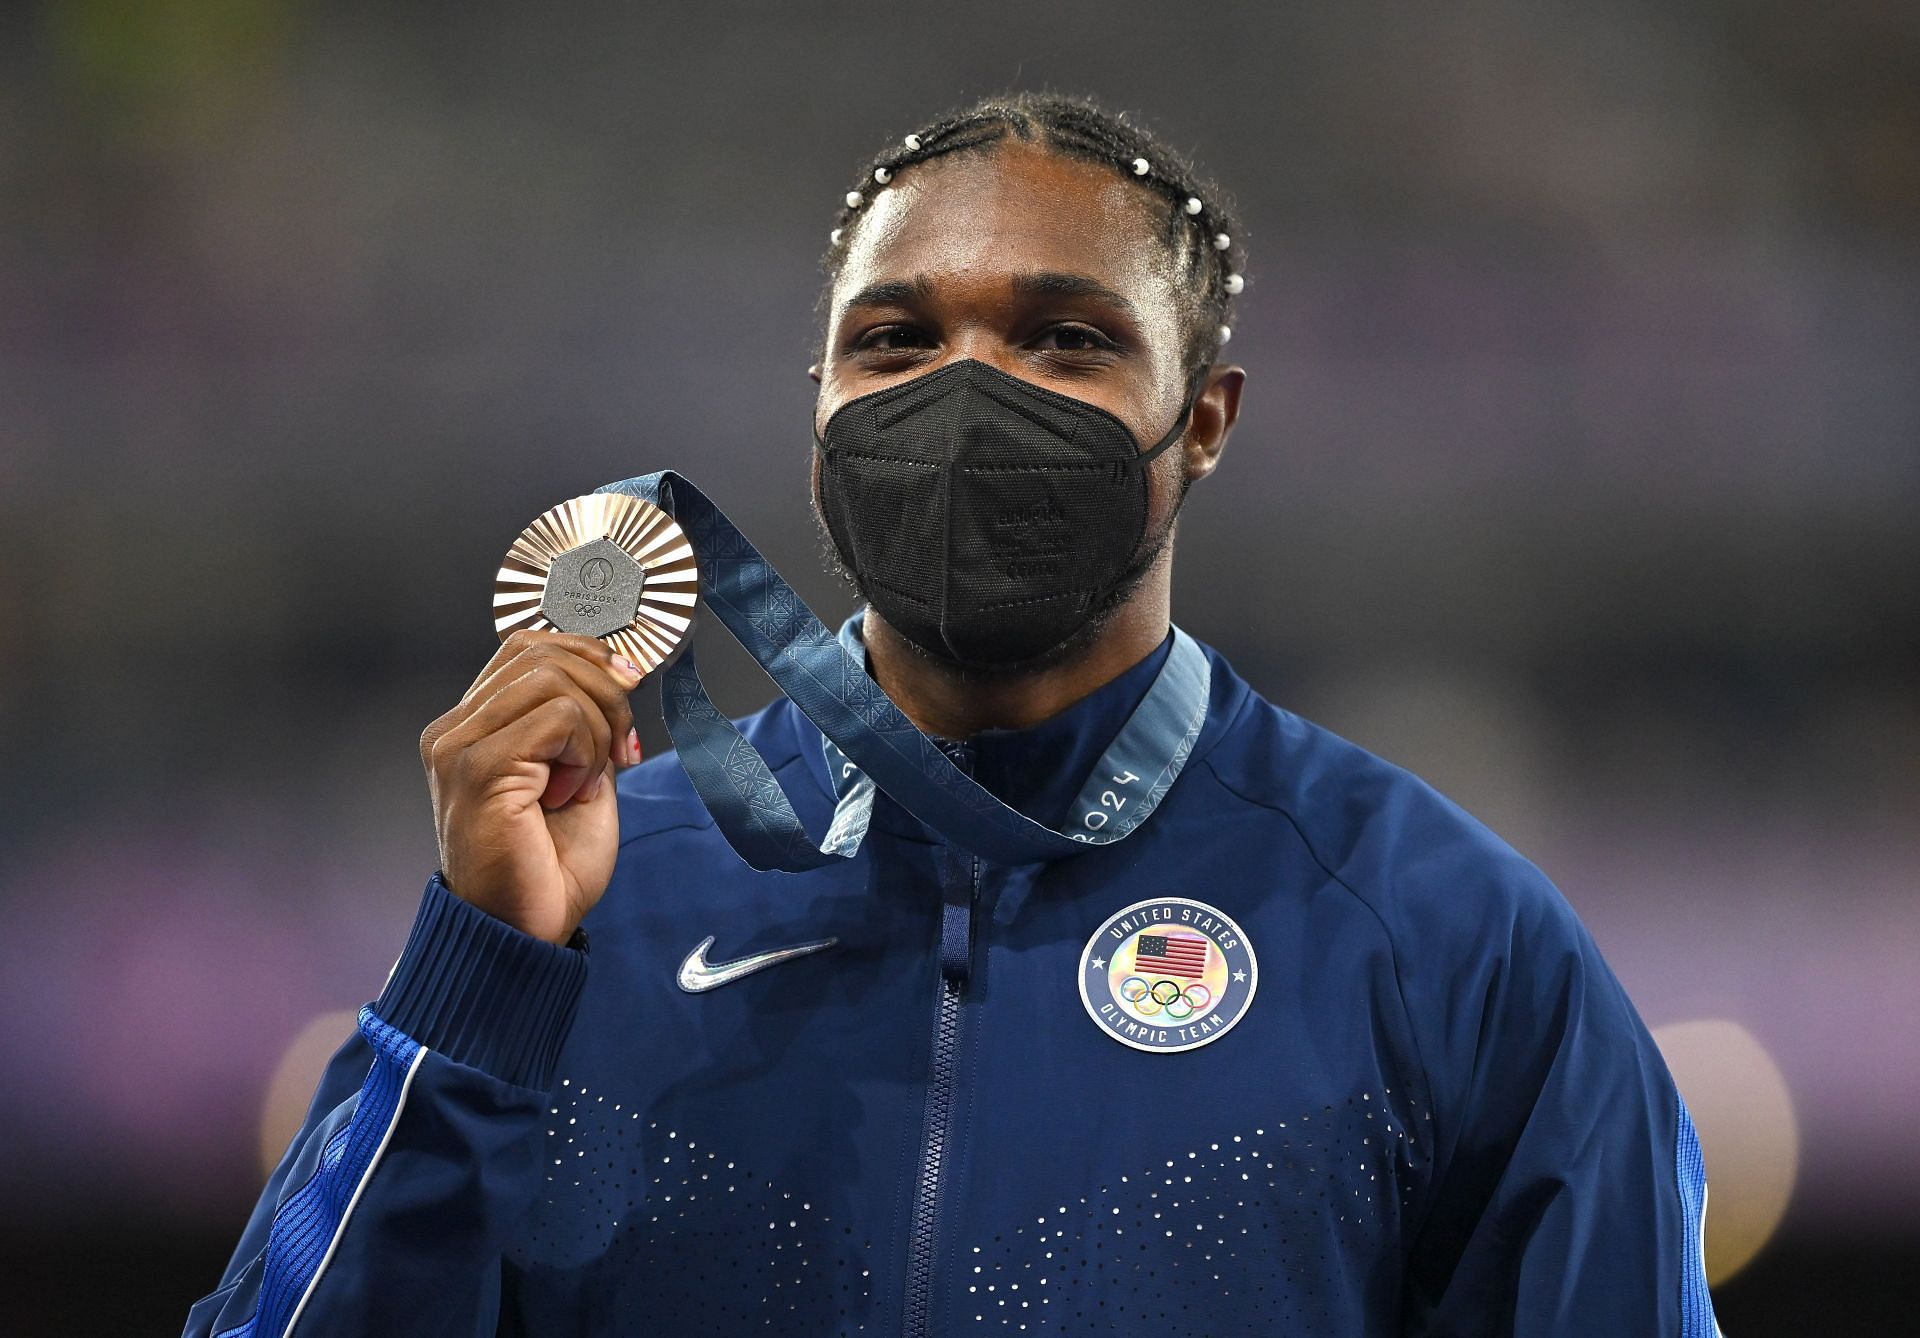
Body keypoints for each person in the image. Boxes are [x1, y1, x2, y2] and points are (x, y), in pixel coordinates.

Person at [184, 93, 1722, 1337]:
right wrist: (473, 977)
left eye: (1065, 339)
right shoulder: (578, 898)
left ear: (1203, 421)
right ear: (820, 406)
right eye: (897, 341)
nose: (967, 395)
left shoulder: (1443, 936)